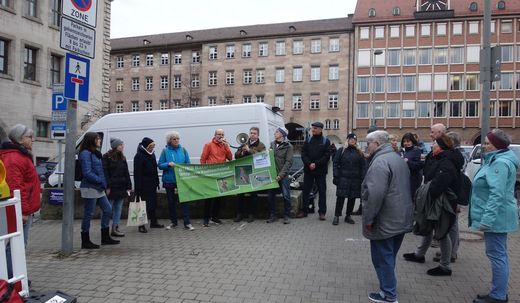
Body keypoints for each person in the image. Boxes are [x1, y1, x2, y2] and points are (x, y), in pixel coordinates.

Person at [362, 131, 413, 303]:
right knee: (389, 256)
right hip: (401, 216)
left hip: (385, 218)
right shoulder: (397, 158)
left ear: (376, 143)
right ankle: (389, 287)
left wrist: (369, 219)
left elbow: (375, 194)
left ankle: (389, 294)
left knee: (382, 257)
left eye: (368, 143)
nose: (366, 147)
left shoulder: (380, 162)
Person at [402, 133, 463, 276]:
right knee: (428, 227)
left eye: (435, 143)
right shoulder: (436, 157)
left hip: (441, 201)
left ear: (441, 146)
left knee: (442, 232)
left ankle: (445, 266)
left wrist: (428, 195)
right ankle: (419, 254)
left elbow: (440, 183)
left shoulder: (447, 161)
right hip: (433, 199)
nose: (432, 145)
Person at [470, 129, 518, 303]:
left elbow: (496, 194)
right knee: (498, 254)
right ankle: (498, 291)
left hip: (497, 217)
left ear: (496, 145)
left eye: (488, 143)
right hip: (498, 216)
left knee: (497, 255)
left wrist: (487, 220)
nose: (484, 145)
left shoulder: (500, 163)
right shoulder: (496, 160)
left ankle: (498, 296)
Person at [0, 124, 40, 276]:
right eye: (29, 137)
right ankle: (13, 280)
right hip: (20, 210)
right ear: (20, 139)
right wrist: (22, 212)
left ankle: (15, 278)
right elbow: (16, 187)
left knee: (16, 245)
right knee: (16, 246)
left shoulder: (20, 155)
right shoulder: (14, 157)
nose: (32, 140)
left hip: (23, 208)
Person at [78, 132, 119, 248]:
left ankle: (105, 236)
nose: (100, 141)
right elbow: (87, 172)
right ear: (92, 140)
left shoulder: (94, 153)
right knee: (88, 213)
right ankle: (85, 240)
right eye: (98, 139)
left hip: (98, 187)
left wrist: (103, 182)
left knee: (107, 209)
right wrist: (100, 181)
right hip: (90, 187)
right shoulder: (85, 154)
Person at [158, 131, 194, 231]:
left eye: (178, 138)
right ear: (170, 140)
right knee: (171, 202)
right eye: (174, 139)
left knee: (184, 201)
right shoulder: (165, 151)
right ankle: (173, 222)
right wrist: (168, 164)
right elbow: (160, 165)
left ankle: (187, 223)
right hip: (169, 180)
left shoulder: (183, 150)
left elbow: (188, 163)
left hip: (182, 180)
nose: (176, 140)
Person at [296, 121, 331, 220]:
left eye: (315, 128)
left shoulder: (326, 141)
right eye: (312, 128)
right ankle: (304, 210)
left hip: (320, 171)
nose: (313, 130)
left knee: (322, 191)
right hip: (308, 170)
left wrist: (316, 163)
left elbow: (327, 155)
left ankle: (322, 212)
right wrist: (309, 163)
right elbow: (303, 153)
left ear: (320, 129)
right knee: (306, 191)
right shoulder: (308, 140)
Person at [200, 128, 233, 227]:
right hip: (211, 175)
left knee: (219, 198)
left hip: (222, 175)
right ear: (215, 135)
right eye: (219, 134)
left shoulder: (224, 146)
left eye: (222, 134)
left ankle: (215, 217)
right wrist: (204, 172)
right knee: (209, 197)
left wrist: (226, 146)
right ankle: (206, 218)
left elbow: (230, 158)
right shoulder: (208, 145)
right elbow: (203, 159)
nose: (221, 136)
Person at [332, 133, 365, 225]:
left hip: (355, 179)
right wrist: (336, 176)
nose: (353, 140)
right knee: (340, 198)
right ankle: (337, 216)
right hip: (343, 178)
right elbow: (335, 163)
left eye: (354, 139)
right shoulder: (341, 150)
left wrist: (362, 178)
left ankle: (348, 216)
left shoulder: (359, 152)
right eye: (351, 139)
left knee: (352, 198)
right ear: (347, 140)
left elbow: (363, 166)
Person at [234, 127, 266, 223]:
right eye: (251, 133)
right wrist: (241, 151)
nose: (252, 135)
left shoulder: (261, 145)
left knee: (253, 194)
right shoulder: (244, 143)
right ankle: (239, 214)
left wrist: (249, 150)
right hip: (243, 171)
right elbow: (236, 156)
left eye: (254, 133)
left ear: (258, 135)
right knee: (240, 194)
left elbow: (262, 156)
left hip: (254, 172)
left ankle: (252, 214)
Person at [102, 138, 132, 237]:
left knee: (118, 208)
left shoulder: (122, 158)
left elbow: (126, 172)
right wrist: (108, 186)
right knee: (108, 208)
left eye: (122, 145)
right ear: (115, 146)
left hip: (121, 186)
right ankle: (104, 227)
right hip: (112, 186)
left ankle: (115, 227)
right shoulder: (106, 157)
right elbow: (105, 172)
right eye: (120, 145)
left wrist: (129, 185)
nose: (122, 147)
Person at [134, 137, 163, 233]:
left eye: (153, 146)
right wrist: (138, 187)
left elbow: (154, 169)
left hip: (152, 184)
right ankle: (141, 225)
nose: (152, 148)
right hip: (143, 185)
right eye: (151, 146)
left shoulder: (152, 154)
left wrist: (157, 182)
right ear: (146, 146)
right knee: (143, 206)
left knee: (152, 204)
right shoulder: (139, 156)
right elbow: (137, 173)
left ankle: (153, 222)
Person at [267, 127, 293, 224]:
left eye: (277, 132)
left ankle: (287, 215)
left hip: (283, 176)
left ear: (282, 134)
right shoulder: (272, 144)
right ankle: (273, 215)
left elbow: (288, 162)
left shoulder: (288, 146)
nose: (275, 133)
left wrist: (280, 175)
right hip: (273, 175)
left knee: (286, 196)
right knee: (270, 196)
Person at [400, 133, 423, 199]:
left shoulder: (416, 151)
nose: (406, 143)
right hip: (404, 179)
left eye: (408, 141)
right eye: (404, 141)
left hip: (413, 180)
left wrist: (408, 161)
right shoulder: (402, 151)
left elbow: (418, 166)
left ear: (412, 141)